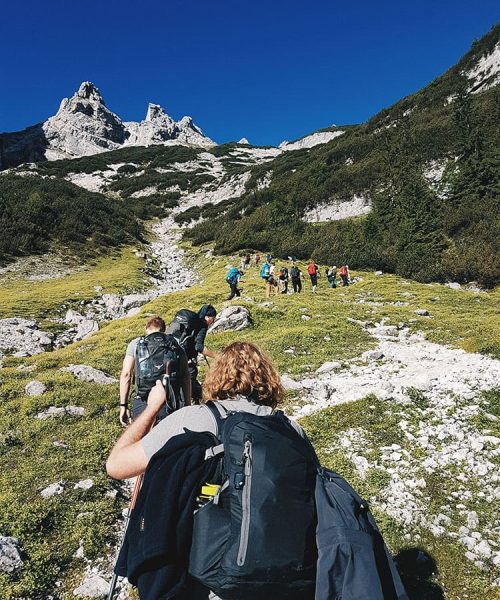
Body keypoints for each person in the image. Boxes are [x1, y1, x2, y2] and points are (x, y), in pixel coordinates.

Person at [106, 341, 305, 598]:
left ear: (217, 376)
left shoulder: (196, 418)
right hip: (283, 577)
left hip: (204, 578)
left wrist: (153, 406)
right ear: (268, 378)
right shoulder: (290, 430)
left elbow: (116, 465)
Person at [119, 316, 191, 426]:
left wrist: (123, 406)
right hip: (169, 401)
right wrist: (187, 404)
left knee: (142, 437)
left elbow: (126, 374)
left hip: (143, 400)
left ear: (146, 328)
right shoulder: (173, 344)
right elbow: (185, 375)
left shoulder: (136, 344)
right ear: (164, 329)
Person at [166, 305, 217, 403]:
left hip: (171, 357)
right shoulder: (202, 324)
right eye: (213, 319)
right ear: (208, 316)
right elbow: (199, 347)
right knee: (192, 385)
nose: (212, 322)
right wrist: (217, 357)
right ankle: (200, 406)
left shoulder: (189, 325)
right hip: (187, 361)